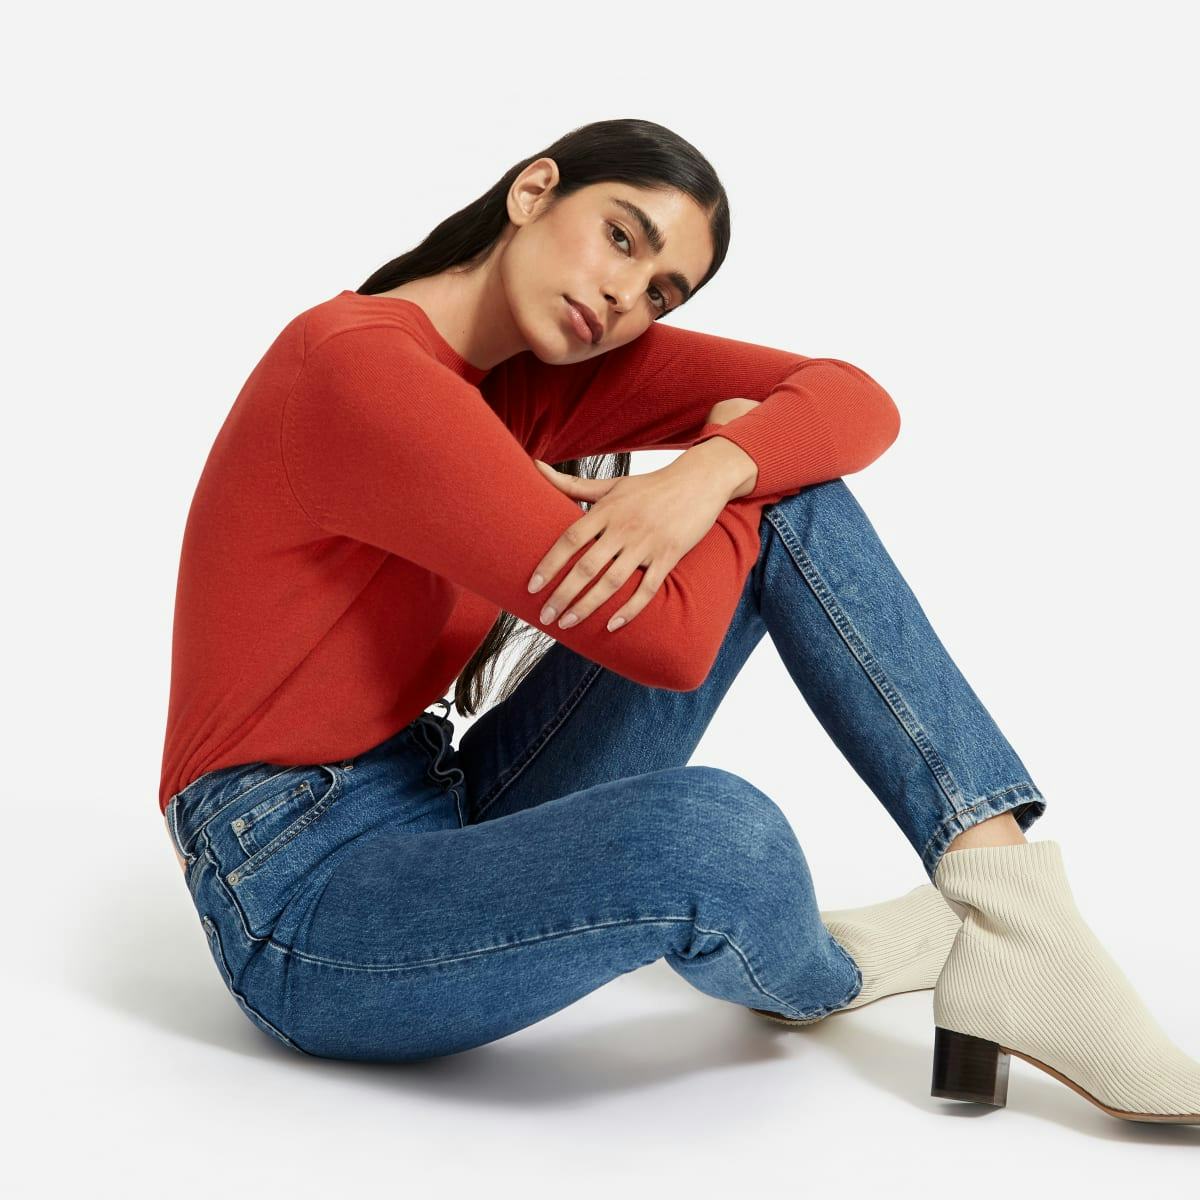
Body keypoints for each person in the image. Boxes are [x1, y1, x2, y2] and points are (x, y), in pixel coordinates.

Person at [159, 118, 1199, 1124]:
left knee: (794, 489)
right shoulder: (358, 368)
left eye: (659, 289)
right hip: (297, 897)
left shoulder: (530, 374)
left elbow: (851, 397)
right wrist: (728, 476)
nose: (622, 296)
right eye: (620, 235)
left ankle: (1013, 908)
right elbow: (665, 642)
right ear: (533, 192)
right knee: (719, 837)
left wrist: (712, 467)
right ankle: (837, 971)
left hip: (430, 794)